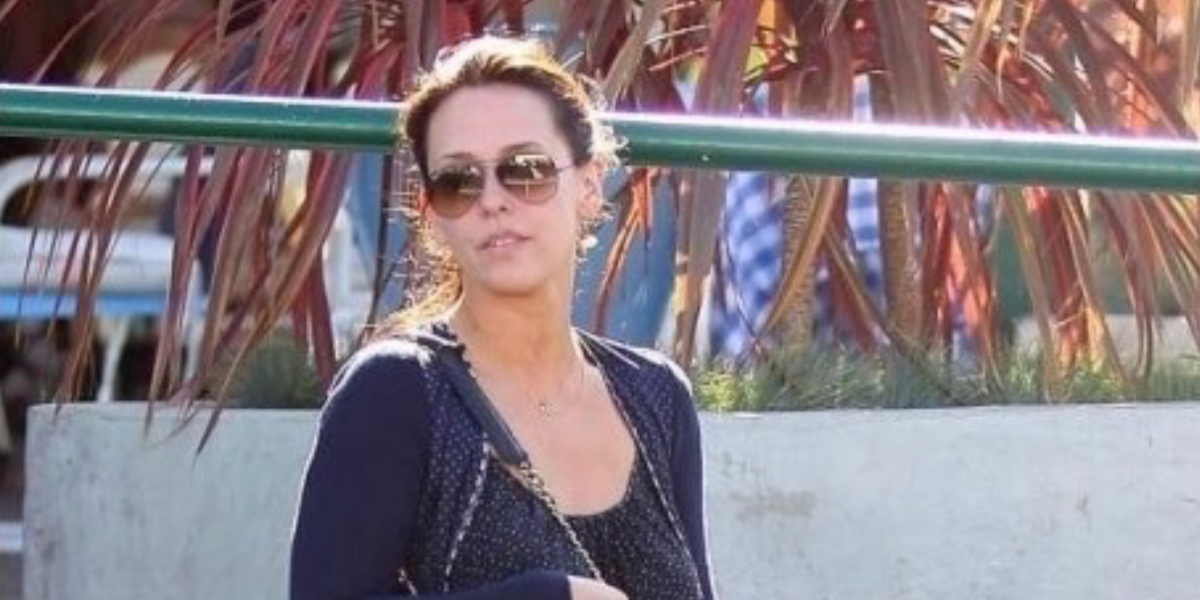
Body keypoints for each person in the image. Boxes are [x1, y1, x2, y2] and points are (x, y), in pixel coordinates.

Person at [289, 37, 717, 600]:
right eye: (458, 181)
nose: (492, 200)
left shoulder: (656, 396)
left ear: (589, 185)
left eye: (526, 169)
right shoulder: (397, 391)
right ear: (432, 216)